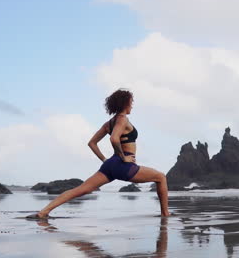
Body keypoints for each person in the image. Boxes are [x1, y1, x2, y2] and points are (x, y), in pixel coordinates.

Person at [26, 89, 170, 219]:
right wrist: (123, 157)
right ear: (125, 103)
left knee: (80, 189)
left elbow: (92, 143)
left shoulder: (109, 123)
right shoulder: (122, 119)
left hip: (110, 165)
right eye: (131, 102)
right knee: (161, 177)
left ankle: (44, 212)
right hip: (124, 165)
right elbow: (114, 138)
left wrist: (104, 160)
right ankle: (165, 213)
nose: (132, 105)